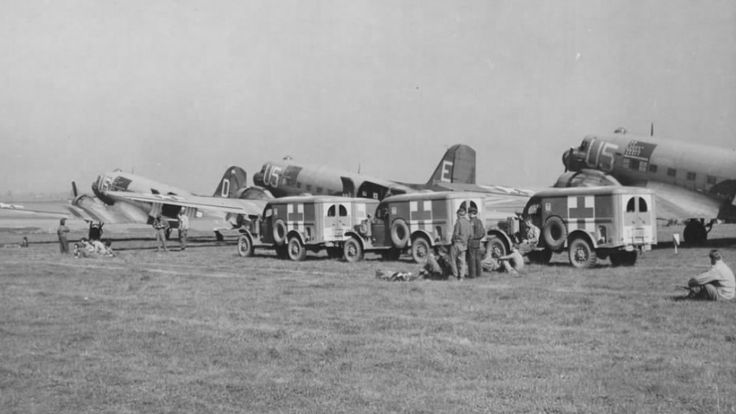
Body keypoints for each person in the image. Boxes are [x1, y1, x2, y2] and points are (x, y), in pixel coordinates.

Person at [449, 207, 472, 280]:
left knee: (453, 260)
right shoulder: (468, 223)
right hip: (464, 244)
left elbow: (455, 234)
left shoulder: (458, 222)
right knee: (462, 261)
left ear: (459, 215)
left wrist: (452, 240)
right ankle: (461, 277)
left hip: (457, 243)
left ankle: (455, 275)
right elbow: (471, 235)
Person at [467, 207, 485, 278]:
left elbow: (469, 233)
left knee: (472, 260)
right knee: (478, 259)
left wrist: (470, 238)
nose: (468, 215)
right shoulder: (479, 221)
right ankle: (479, 274)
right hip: (478, 242)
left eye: (469, 213)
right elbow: (483, 232)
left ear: (471, 214)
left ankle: (472, 275)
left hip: (472, 242)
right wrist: (479, 238)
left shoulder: (471, 222)